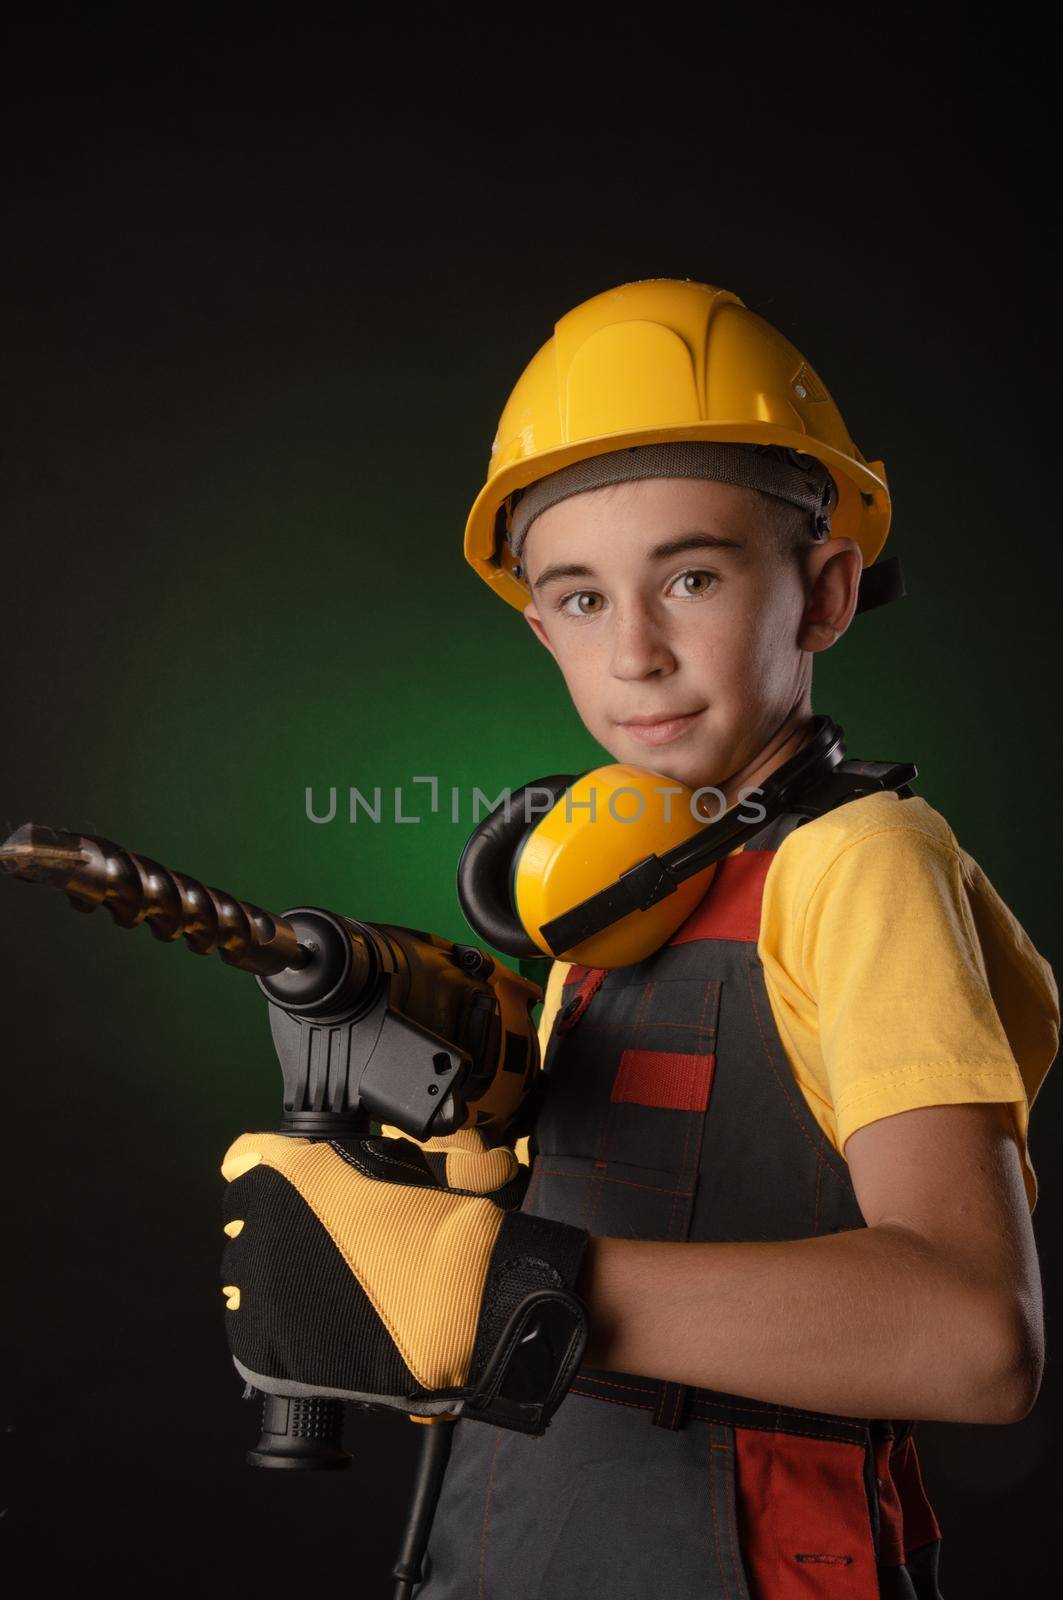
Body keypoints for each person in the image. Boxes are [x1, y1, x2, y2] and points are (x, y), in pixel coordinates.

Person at [219, 278, 1058, 1599]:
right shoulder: (620, 885)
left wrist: (505, 1288)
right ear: (538, 624)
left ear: (825, 589)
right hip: (514, 1544)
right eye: (583, 598)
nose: (640, 655)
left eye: (692, 574)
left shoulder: (862, 866)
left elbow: (974, 1339)